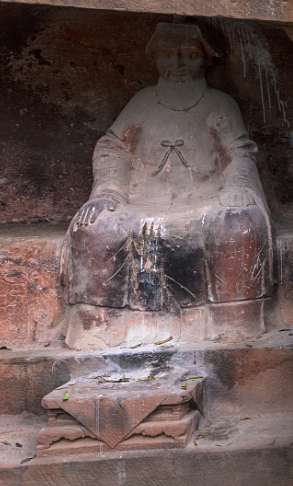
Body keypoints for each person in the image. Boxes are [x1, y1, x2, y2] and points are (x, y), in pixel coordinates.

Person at [61, 22, 270, 349]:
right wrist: (109, 193)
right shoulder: (144, 101)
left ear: (204, 59)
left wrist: (237, 186)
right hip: (140, 204)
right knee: (95, 227)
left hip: (207, 202)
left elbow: (238, 153)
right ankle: (99, 326)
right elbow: (113, 148)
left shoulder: (219, 103)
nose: (177, 65)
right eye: (167, 56)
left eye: (188, 55)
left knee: (239, 223)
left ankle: (233, 324)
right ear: (156, 59)